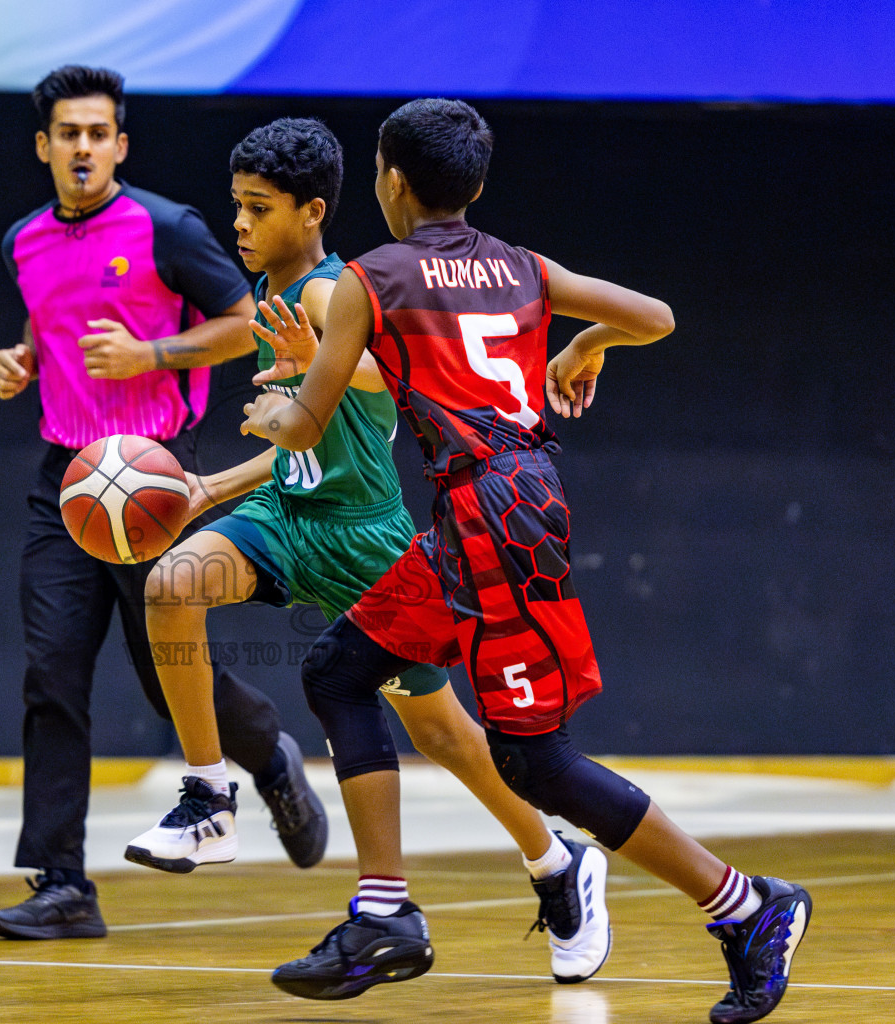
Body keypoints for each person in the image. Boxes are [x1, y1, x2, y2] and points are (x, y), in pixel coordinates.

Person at [243, 99, 811, 1024]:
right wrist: (587, 342)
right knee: (339, 670)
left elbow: (305, 422)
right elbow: (657, 316)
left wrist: (279, 409)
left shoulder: (372, 275)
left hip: (494, 516)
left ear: (388, 179)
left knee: (535, 758)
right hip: (494, 509)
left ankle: (746, 908)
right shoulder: (520, 266)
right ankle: (384, 914)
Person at [122, 117, 611, 986]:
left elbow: (393, 379)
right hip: (287, 512)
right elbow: (296, 443)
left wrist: (328, 371)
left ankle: (556, 859)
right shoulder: (283, 295)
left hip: (363, 536)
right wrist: (213, 489)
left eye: (257, 208)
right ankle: (209, 796)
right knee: (171, 584)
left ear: (312, 214)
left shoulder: (333, 291)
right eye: (235, 204)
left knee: (450, 737)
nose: (239, 223)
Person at [0, 65, 326, 942]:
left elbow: (246, 319)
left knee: (165, 671)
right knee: (51, 672)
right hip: (62, 479)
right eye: (69, 134)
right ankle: (61, 883)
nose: (84, 147)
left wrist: (154, 355)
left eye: (99, 133)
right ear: (44, 147)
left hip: (155, 471)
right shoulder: (23, 238)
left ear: (120, 144)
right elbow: (46, 325)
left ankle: (269, 756)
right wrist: (21, 362)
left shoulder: (165, 226)